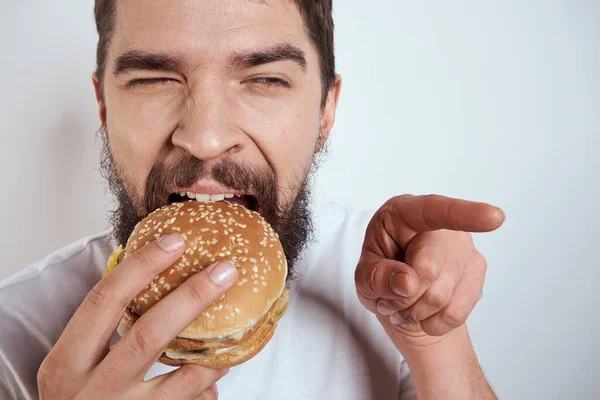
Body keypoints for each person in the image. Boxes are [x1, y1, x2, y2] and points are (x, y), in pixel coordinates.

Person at [0, 1, 505, 399]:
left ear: (326, 110)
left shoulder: (389, 279)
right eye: (154, 79)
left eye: (264, 79)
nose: (205, 137)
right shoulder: (13, 329)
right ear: (104, 107)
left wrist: (431, 340)